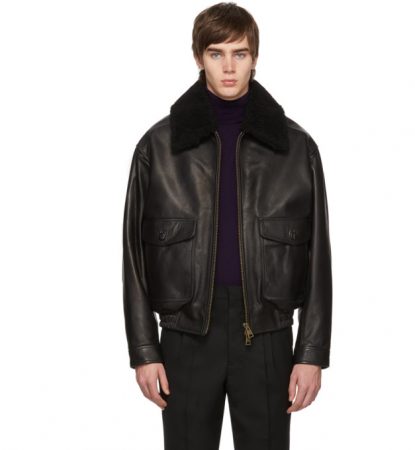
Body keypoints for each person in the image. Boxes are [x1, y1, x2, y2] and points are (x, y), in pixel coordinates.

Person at [122, 2, 332, 449]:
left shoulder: (297, 148)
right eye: (217, 54)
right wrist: (144, 349)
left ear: (255, 57)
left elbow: (319, 259)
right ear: (199, 57)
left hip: (268, 334)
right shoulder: (157, 148)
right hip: (185, 335)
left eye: (240, 53)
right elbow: (133, 256)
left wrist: (311, 353)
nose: (229, 67)